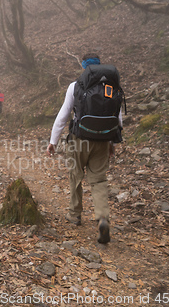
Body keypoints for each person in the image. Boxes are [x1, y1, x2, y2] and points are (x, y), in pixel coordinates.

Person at [46, 53, 123, 244]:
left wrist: (53, 142)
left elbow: (63, 115)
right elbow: (118, 118)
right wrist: (112, 143)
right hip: (103, 140)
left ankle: (75, 215)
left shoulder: (76, 86)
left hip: (79, 139)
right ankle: (102, 218)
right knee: (98, 180)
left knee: (76, 175)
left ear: (84, 67)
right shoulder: (111, 86)